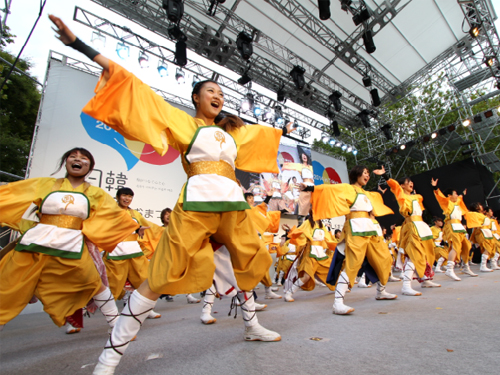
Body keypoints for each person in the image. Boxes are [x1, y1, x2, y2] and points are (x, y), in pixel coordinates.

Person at [49, 14, 294, 373]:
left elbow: (267, 137)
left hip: (233, 207)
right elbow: (132, 87)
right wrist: (79, 46)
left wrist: (283, 128)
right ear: (195, 97)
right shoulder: (182, 122)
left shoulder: (231, 135)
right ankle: (109, 357)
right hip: (196, 204)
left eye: (220, 93)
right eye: (210, 91)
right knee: (160, 274)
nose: (217, 95)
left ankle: (252, 325)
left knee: (250, 261)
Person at [0, 148, 139, 334]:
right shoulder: (45, 184)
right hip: (34, 244)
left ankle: (117, 326)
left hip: (71, 245)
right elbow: (11, 195)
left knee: (93, 282)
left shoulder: (95, 193)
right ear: (66, 162)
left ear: (90, 167)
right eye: (73, 157)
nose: (77, 160)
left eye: (83, 158)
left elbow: (114, 218)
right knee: (8, 284)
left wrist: (133, 227)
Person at [302, 165, 397, 315]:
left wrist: (384, 178)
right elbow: (329, 189)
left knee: (383, 259)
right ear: (357, 174)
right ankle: (338, 303)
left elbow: (378, 201)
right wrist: (309, 187)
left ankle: (381, 291)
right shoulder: (348, 188)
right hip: (355, 228)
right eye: (364, 173)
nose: (367, 176)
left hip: (370, 229)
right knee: (353, 264)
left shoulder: (367, 193)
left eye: (368, 173)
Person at [103, 188, 163, 319]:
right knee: (112, 286)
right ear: (118, 197)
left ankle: (146, 310)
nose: (127, 198)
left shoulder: (135, 213)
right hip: (116, 253)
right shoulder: (110, 212)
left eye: (130, 196)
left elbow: (151, 228)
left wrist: (169, 231)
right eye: (124, 195)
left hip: (134, 252)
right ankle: (112, 317)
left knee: (145, 280)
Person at [383, 170, 440, 295]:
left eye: (411, 182)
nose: (411, 183)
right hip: (411, 226)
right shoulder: (401, 196)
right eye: (408, 182)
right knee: (414, 254)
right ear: (402, 185)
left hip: (421, 225)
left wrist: (434, 188)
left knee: (427, 253)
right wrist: (385, 176)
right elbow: (395, 187)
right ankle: (406, 285)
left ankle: (425, 279)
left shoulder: (417, 197)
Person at [283, 211, 337, 302]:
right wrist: (290, 230)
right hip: (310, 253)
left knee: (328, 272)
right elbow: (298, 231)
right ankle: (289, 293)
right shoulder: (307, 223)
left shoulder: (321, 225)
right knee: (306, 276)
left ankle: (338, 288)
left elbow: (328, 238)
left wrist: (337, 245)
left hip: (320, 254)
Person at [431, 179, 477, 279]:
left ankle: (466, 267)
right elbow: (440, 197)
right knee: (455, 246)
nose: (456, 195)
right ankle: (449, 269)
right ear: (449, 196)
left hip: (459, 226)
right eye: (455, 194)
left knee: (467, 245)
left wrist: (462, 194)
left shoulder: (457, 202)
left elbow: (460, 197)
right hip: (452, 226)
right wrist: (435, 187)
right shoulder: (447, 203)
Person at [282, 150, 314, 218]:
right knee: (302, 204)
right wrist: (283, 166)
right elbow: (290, 165)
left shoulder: (311, 167)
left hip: (313, 187)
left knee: (313, 204)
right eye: (302, 156)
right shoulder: (300, 166)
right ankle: (300, 219)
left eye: (305, 155)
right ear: (301, 158)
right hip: (305, 186)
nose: (304, 157)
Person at [467, 203, 496, 272]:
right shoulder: (474, 214)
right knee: (487, 248)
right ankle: (483, 266)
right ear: (476, 207)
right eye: (479, 205)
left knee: (490, 248)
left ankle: (489, 264)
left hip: (487, 232)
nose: (481, 206)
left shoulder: (481, 215)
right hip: (482, 232)